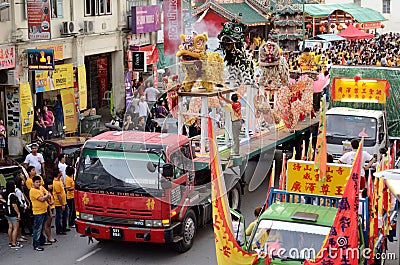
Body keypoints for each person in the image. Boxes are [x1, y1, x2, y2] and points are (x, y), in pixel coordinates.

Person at [29, 175, 52, 251]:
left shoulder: (41, 187)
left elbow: (48, 193)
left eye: (39, 182)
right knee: (37, 229)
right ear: (33, 183)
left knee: (42, 228)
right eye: (37, 182)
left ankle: (42, 241)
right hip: (38, 212)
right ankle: (36, 245)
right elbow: (42, 199)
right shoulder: (33, 191)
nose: (39, 183)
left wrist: (46, 196)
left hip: (44, 210)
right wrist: (46, 196)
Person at [4, 180, 23, 249]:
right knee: (15, 228)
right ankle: (14, 243)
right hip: (13, 214)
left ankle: (11, 241)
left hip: (7, 213)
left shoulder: (5, 193)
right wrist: (18, 214)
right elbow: (14, 205)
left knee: (10, 227)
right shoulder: (12, 195)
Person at [53, 171, 69, 235]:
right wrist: (62, 204)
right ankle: (59, 229)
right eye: (60, 172)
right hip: (59, 203)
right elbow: (58, 195)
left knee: (65, 215)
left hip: (63, 201)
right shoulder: (56, 183)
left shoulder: (59, 181)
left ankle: (64, 227)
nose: (61, 172)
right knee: (59, 216)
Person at [44, 179, 57, 243]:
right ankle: (49, 237)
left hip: (51, 208)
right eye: (49, 184)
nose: (51, 186)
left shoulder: (50, 192)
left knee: (49, 224)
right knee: (47, 225)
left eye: (51, 184)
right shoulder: (46, 193)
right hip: (49, 209)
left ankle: (49, 237)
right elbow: (47, 203)